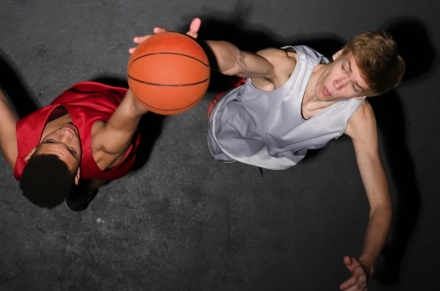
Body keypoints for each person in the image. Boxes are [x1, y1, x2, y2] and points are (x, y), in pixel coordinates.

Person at [131, 18, 404, 291]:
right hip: (233, 129)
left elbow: (381, 205)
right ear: (340, 52)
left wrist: (367, 262)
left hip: (278, 154)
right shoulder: (285, 67)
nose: (338, 85)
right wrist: (191, 50)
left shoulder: (359, 117)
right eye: (345, 68)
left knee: (264, 151)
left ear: (364, 96)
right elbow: (236, 59)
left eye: (355, 87)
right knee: (224, 140)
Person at [0, 25, 152, 211]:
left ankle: (81, 187)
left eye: (50, 142)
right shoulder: (106, 147)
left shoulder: (16, 151)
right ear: (77, 172)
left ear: (29, 155)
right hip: (110, 117)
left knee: (90, 170)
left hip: (77, 100)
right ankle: (87, 189)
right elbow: (134, 104)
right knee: (101, 175)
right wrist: (164, 61)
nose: (66, 135)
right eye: (71, 151)